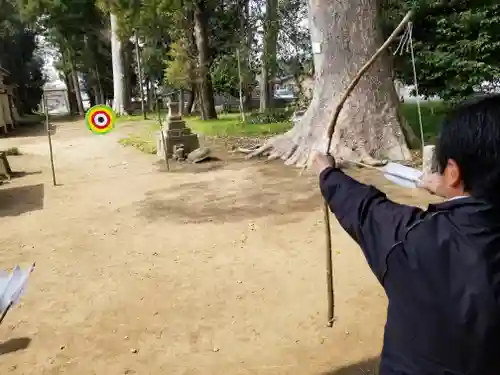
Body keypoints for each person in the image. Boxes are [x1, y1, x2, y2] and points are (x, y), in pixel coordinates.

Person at [311, 94, 500, 375]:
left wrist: (326, 171)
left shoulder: (412, 239)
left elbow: (364, 210)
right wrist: (448, 186)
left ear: (453, 172)